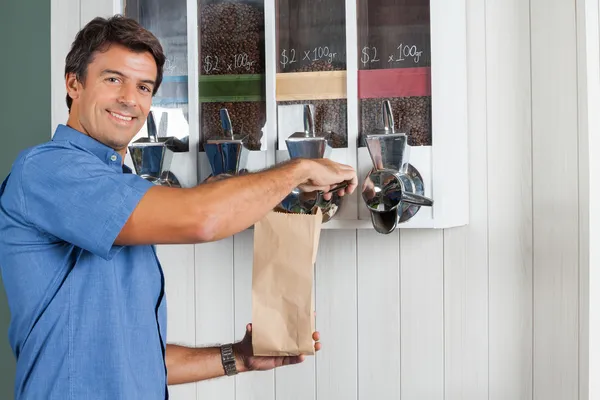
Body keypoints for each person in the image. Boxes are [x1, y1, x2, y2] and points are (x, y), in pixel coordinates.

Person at [0, 15, 357, 400]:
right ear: (74, 83)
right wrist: (299, 168)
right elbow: (201, 219)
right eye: (113, 79)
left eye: (144, 87)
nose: (129, 99)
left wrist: (239, 357)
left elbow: (136, 363)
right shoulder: (47, 170)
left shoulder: (119, 185)